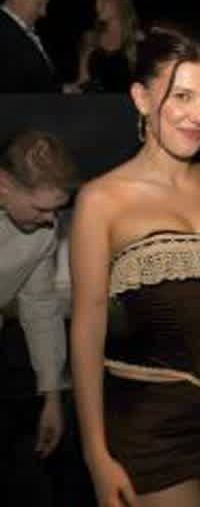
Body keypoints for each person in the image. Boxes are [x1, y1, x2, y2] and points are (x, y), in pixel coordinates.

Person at [70, 29, 200, 507]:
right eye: (183, 96)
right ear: (142, 98)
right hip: (150, 428)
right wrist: (94, 453)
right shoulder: (101, 201)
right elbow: (86, 331)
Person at [0, 130, 80, 503]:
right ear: (4, 185)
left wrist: (51, 397)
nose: (51, 221)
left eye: (57, 210)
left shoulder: (39, 235)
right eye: (40, 209)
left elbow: (41, 307)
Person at [71, 0, 140, 92]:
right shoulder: (90, 38)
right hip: (95, 102)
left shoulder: (137, 39)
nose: (98, 6)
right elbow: (83, 81)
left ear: (119, 1)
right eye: (96, 0)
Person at [0, 0, 60, 92]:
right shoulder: (5, 33)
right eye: (39, 3)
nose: (43, 13)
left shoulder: (21, 31)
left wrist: (60, 90)